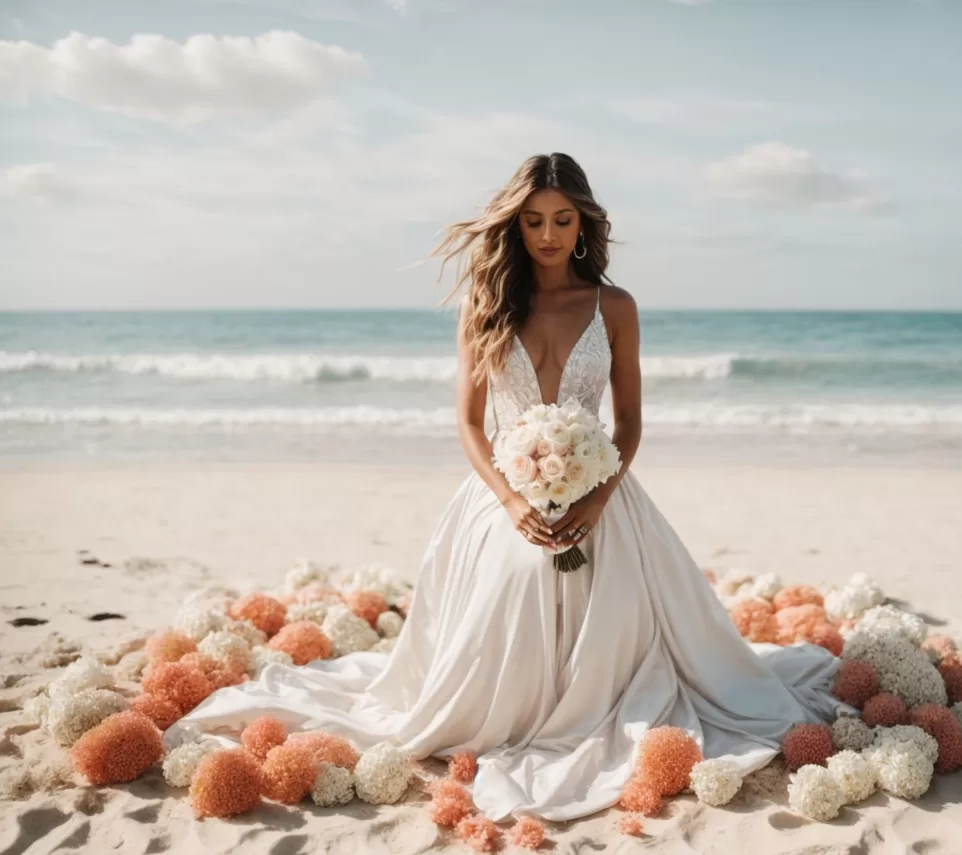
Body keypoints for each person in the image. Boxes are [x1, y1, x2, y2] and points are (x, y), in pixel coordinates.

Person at [164, 153, 847, 821]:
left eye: (562, 219)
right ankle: (516, 709)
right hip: (503, 494)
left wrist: (597, 494)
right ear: (514, 228)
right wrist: (514, 500)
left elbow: (631, 420)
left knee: (607, 594)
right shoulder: (486, 304)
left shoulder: (615, 306)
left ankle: (589, 699)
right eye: (532, 222)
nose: (548, 235)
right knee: (523, 572)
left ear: (585, 224)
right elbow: (468, 422)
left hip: (601, 492)